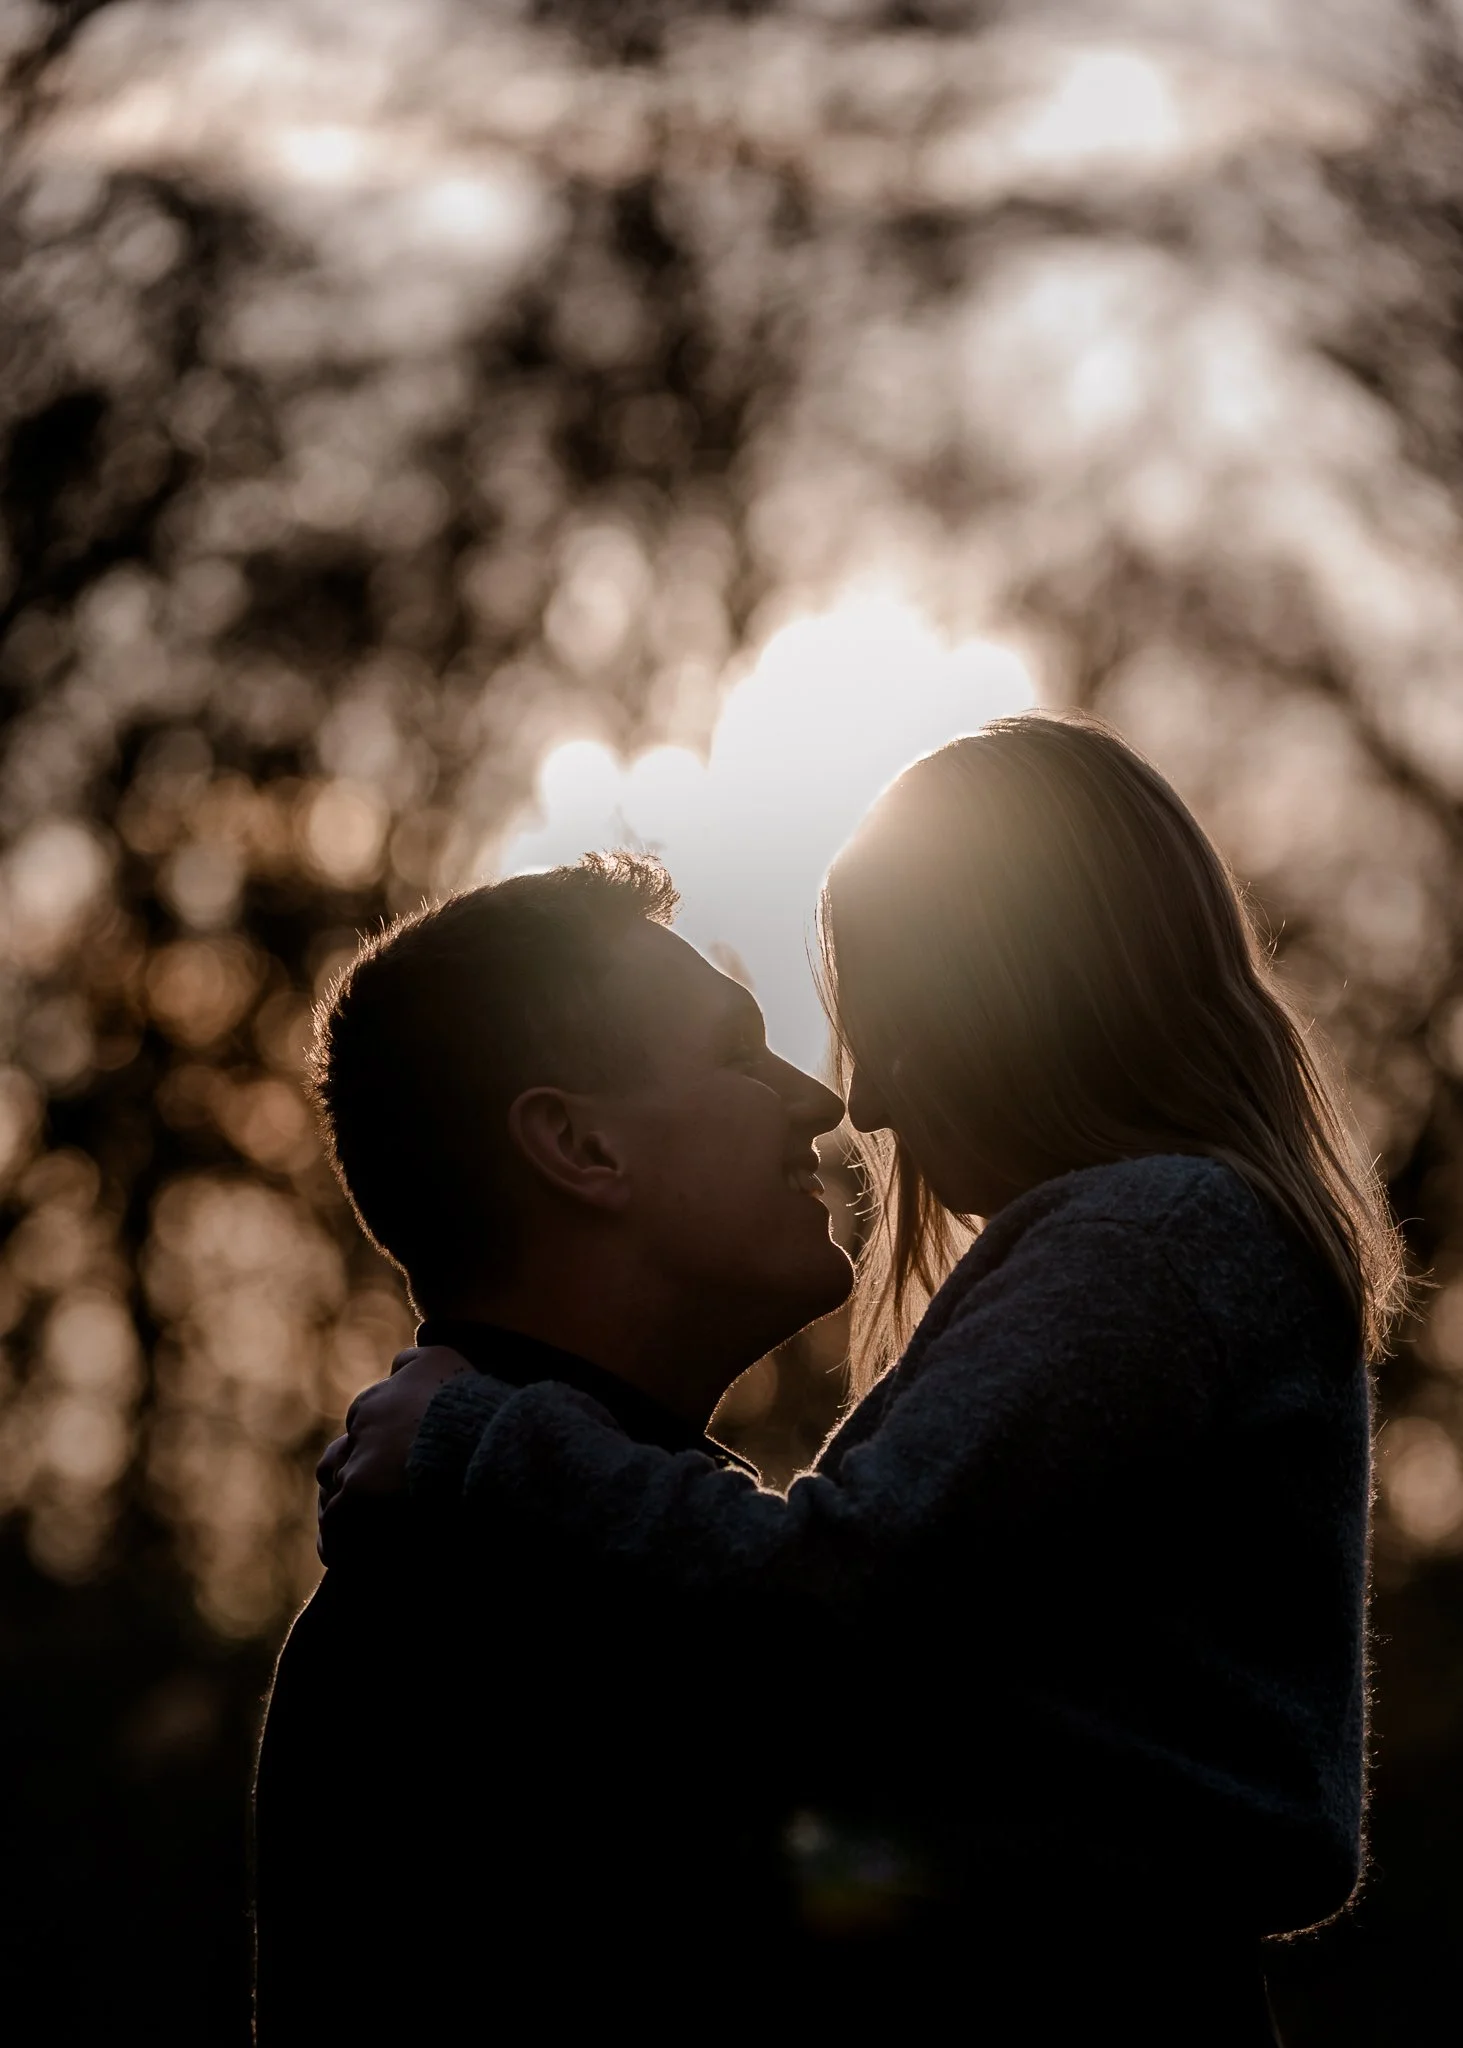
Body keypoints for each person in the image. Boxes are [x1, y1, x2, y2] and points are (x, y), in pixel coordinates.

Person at [326, 714, 1400, 2044]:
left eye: (886, 1029)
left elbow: (834, 1587)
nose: (857, 1103)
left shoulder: (1148, 1241)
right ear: (579, 1147)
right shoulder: (467, 1613)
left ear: (1011, 991)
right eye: (744, 1051)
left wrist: (477, 1439)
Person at [253, 854, 855, 2041]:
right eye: (738, 1052)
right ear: (580, 1145)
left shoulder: (585, 1551)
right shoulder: (494, 1613)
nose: (816, 1101)